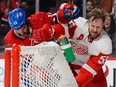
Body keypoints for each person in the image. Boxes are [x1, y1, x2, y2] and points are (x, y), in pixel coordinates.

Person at [35, 8, 112, 87]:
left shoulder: (105, 44)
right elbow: (63, 29)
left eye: (98, 27)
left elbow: (88, 71)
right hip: (71, 69)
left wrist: (76, 84)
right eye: (93, 26)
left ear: (102, 26)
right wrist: (52, 31)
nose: (95, 30)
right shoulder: (78, 25)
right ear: (88, 22)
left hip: (94, 78)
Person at [4, 3, 80, 46]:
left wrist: (63, 15)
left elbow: (57, 20)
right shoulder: (9, 39)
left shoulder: (39, 18)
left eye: (23, 28)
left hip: (52, 58)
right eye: (17, 30)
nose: (21, 32)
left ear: (26, 22)